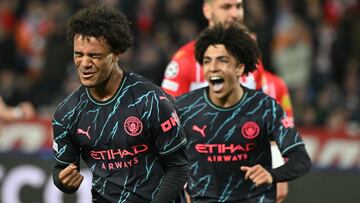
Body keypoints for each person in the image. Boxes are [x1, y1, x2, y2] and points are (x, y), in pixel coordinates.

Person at [51, 6, 189, 203]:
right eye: (78, 54)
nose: (84, 63)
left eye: (94, 55)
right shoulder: (67, 113)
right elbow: (61, 168)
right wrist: (62, 181)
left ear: (116, 54)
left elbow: (179, 167)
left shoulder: (150, 100)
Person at [161, 0, 292, 202]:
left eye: (238, 7)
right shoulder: (184, 61)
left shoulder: (251, 60)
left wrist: (278, 166)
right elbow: (166, 122)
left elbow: (263, 118)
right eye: (226, 7)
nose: (235, 14)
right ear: (207, 10)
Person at [175, 23, 311, 203]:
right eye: (207, 61)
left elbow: (301, 159)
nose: (213, 67)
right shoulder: (184, 108)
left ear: (239, 68)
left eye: (222, 60)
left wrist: (272, 175)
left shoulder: (265, 108)